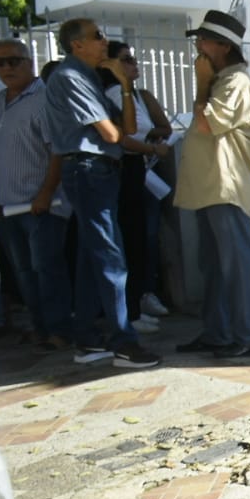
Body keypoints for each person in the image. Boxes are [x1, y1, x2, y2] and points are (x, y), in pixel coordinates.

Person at [43, 17, 159, 368]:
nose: (105, 41)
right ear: (76, 44)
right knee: (110, 257)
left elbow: (128, 128)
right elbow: (112, 136)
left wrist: (123, 84)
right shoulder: (70, 77)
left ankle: (88, 340)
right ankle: (124, 342)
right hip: (88, 169)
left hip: (98, 171)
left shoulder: (89, 76)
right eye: (97, 36)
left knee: (91, 257)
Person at [174, 10, 250, 360]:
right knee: (213, 264)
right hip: (209, 187)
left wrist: (200, 85)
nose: (198, 45)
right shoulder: (222, 79)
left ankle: (247, 335)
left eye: (204, 40)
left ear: (223, 46)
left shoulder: (235, 82)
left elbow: (208, 125)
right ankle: (218, 332)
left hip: (226, 187)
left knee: (236, 265)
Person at [0, 39, 70, 349]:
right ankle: (40, 327)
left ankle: (59, 330)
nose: (7, 68)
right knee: (24, 273)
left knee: (47, 270)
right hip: (7, 205)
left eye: (14, 61)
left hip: (42, 205)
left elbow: (58, 150)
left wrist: (46, 193)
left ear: (30, 61)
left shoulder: (45, 99)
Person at [100, 41, 172, 336]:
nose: (133, 64)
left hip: (140, 171)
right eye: (125, 60)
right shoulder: (112, 94)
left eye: (132, 59)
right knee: (128, 242)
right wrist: (147, 145)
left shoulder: (134, 94)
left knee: (143, 239)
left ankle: (139, 301)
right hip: (123, 170)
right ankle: (129, 310)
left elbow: (158, 127)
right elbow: (125, 134)